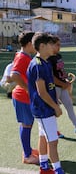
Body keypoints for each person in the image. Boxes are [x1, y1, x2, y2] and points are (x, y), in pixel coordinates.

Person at [27, 32, 65, 174]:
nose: (53, 47)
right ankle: (57, 170)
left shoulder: (46, 62)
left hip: (46, 108)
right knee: (53, 141)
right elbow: (41, 92)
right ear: (42, 46)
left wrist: (56, 101)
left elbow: (50, 87)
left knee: (43, 136)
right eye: (50, 44)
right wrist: (55, 107)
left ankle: (44, 165)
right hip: (43, 109)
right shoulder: (37, 65)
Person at [48, 36, 76, 135]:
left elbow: (60, 71)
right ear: (50, 45)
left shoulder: (58, 56)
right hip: (55, 87)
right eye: (57, 45)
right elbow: (50, 76)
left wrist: (65, 79)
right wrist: (62, 84)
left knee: (69, 106)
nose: (59, 47)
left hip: (63, 86)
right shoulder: (48, 59)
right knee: (54, 109)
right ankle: (53, 130)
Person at [10, 31, 39, 165]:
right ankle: (27, 155)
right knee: (26, 124)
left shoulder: (24, 55)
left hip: (25, 97)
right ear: (29, 44)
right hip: (22, 97)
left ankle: (27, 150)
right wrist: (28, 89)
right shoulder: (22, 57)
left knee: (28, 123)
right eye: (35, 44)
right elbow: (14, 75)